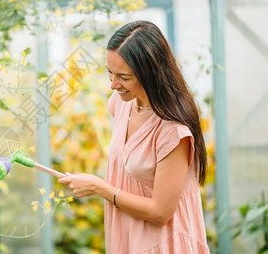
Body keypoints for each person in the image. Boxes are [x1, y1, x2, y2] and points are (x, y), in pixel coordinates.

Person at [59, 20, 210, 253]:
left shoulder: (173, 131)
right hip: (128, 237)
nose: (113, 84)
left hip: (163, 243)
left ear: (150, 74)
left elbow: (160, 213)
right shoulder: (120, 105)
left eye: (123, 77)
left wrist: (99, 188)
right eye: (109, 73)